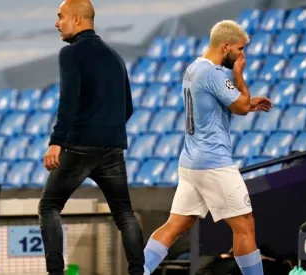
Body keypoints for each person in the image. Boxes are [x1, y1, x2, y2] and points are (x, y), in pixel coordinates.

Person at [143, 20, 273, 275]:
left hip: (191, 161)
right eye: (239, 49)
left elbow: (220, 104)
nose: (242, 55)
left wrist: (247, 102)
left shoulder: (194, 69)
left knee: (177, 223)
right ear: (225, 46)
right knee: (245, 225)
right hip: (213, 162)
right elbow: (241, 107)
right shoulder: (213, 73)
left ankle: (141, 271)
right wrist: (239, 74)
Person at [38, 0, 145, 274]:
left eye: (60, 16)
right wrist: (107, 130)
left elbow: (68, 101)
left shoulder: (71, 53)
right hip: (113, 148)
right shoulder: (115, 57)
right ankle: (138, 271)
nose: (56, 23)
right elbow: (128, 107)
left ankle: (55, 272)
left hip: (79, 146)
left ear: (76, 19)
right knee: (124, 214)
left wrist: (56, 142)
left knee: (49, 206)